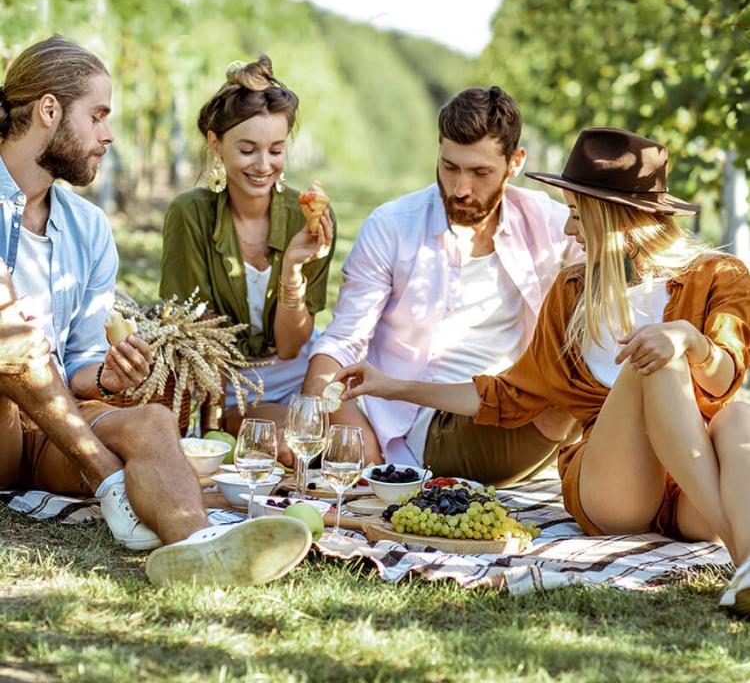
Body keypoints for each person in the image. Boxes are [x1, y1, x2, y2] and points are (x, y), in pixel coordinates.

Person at [336, 126, 750, 617]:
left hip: (691, 490)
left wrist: (691, 339)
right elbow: (507, 395)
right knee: (649, 362)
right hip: (617, 486)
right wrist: (390, 385)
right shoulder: (572, 292)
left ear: (615, 218)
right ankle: (743, 553)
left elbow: (724, 378)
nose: (568, 231)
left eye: (577, 216)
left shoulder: (720, 277)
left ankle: (746, 566)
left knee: (737, 418)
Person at [0, 36, 311, 586]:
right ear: (49, 110)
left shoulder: (88, 228)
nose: (107, 135)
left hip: (53, 427)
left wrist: (105, 373)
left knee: (154, 421)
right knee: (11, 333)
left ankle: (199, 548)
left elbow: (79, 361)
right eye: (96, 115)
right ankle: (108, 480)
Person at [302, 86, 581, 481]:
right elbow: (343, 339)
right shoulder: (393, 226)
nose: (460, 188)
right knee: (564, 401)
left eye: (480, 172)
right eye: (449, 167)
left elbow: (617, 270)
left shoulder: (548, 222)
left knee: (596, 363)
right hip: (424, 423)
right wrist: (327, 412)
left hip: (509, 405)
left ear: (515, 162)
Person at [160, 57, 335, 445]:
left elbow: (291, 347)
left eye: (275, 150)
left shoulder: (309, 215)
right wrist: (215, 424)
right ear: (215, 144)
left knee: (350, 442)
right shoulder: (191, 214)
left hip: (297, 371)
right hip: (230, 382)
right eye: (248, 149)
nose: (263, 165)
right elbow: (198, 336)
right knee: (283, 442)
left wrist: (291, 267)